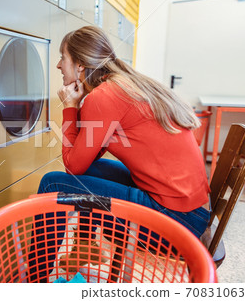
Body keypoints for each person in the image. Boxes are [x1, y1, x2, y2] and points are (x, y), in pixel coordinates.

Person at [38, 25, 210, 238]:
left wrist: (70, 108)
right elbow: (85, 160)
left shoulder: (103, 97)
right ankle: (83, 249)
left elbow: (72, 166)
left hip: (176, 220)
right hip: (192, 210)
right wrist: (80, 106)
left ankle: (37, 272)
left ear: (80, 64)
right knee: (91, 170)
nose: (58, 65)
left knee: (52, 183)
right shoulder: (119, 86)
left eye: (62, 57)